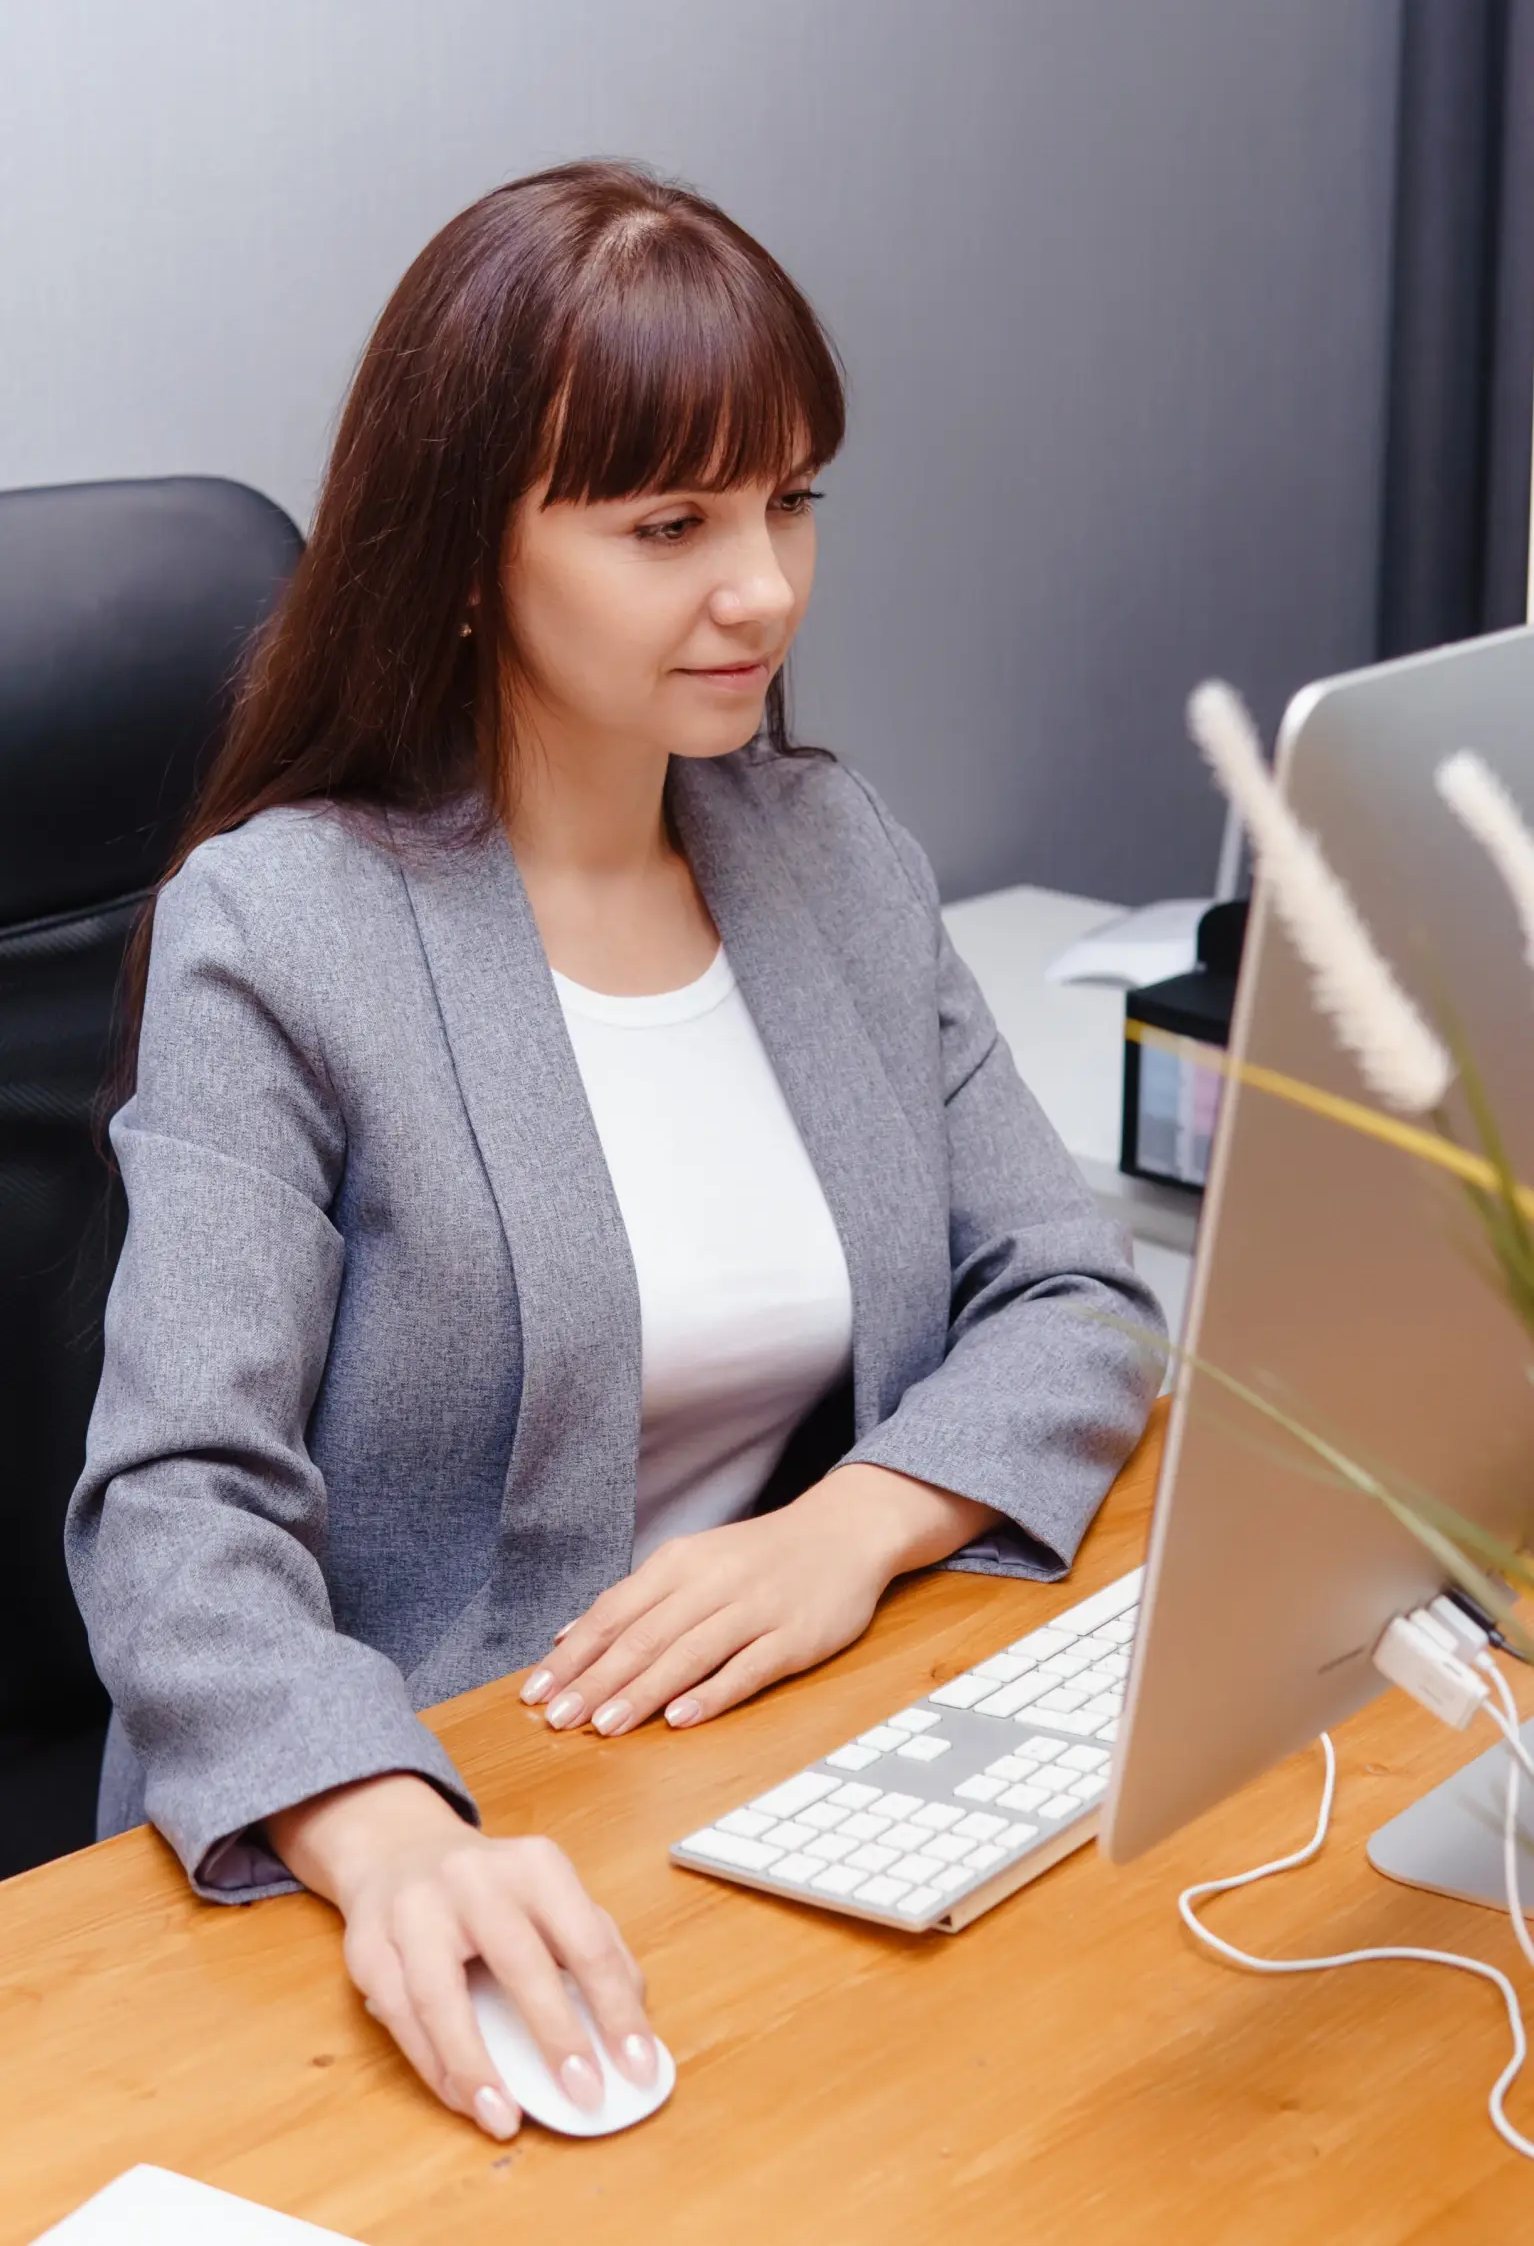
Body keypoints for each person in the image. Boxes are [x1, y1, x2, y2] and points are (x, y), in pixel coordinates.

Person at [67, 160, 1162, 2144]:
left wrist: (851, 1530)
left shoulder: (823, 849)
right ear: (468, 554)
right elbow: (173, 1508)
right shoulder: (288, 928)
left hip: (769, 1770)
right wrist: (393, 1838)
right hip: (433, 1822)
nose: (761, 587)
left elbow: (1071, 1287)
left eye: (788, 501)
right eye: (669, 525)